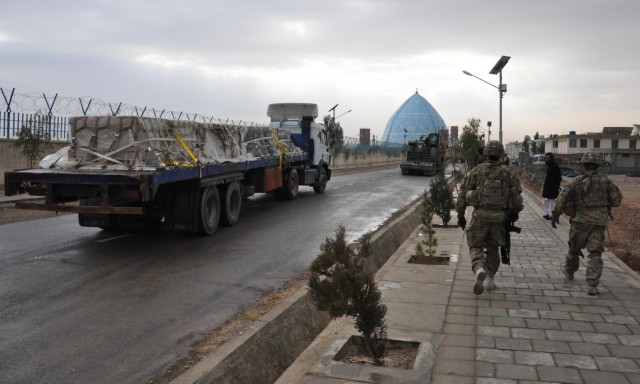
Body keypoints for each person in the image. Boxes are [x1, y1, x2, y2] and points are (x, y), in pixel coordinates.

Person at [456, 141, 524, 295]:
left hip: (479, 216)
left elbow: (462, 194)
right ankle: (490, 280)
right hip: (499, 218)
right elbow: (517, 198)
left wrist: (460, 215)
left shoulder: (476, 171)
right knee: (493, 248)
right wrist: (514, 213)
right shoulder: (508, 173)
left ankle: (479, 268)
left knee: (475, 245)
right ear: (501, 154)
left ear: (485, 154)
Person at [551, 152, 622, 296]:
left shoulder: (575, 181)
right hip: (599, 222)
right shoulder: (606, 182)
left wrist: (555, 214)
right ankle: (592, 284)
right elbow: (616, 201)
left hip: (579, 221)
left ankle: (569, 272)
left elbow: (562, 198)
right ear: (597, 166)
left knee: (574, 248)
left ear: (584, 165)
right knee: (595, 252)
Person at [542, 152, 562, 220]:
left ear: (551, 158)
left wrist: (556, 186)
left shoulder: (555, 166)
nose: (547, 159)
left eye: (548, 158)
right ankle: (548, 213)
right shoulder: (549, 166)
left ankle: (552, 215)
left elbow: (559, 178)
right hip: (547, 187)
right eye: (546, 158)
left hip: (553, 187)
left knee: (552, 202)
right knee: (546, 201)